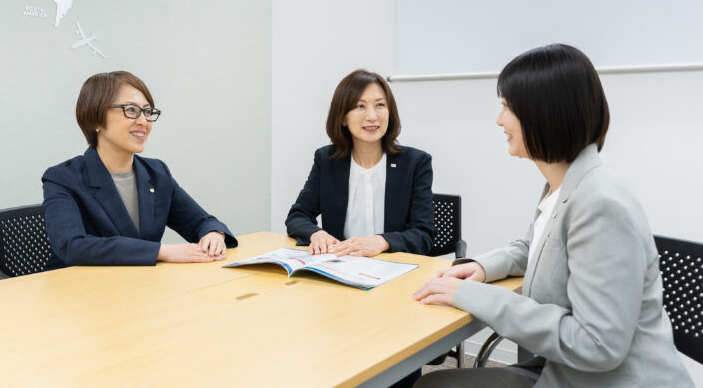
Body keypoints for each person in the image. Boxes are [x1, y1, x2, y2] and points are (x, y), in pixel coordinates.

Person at [412, 44, 693, 387]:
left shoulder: (600, 202)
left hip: (612, 379)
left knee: (433, 384)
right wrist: (484, 267)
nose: (499, 120)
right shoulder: (567, 184)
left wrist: (475, 296)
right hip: (563, 368)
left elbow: (598, 345)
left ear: (543, 112)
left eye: (506, 106)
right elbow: (535, 246)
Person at [42, 71, 237, 268]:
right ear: (95, 119)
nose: (143, 121)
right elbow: (72, 246)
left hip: (141, 286)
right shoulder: (63, 178)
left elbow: (201, 222)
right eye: (131, 110)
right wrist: (163, 251)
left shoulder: (156, 172)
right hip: (79, 290)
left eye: (147, 111)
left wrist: (213, 234)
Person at [286, 69, 435, 257]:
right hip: (342, 268)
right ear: (342, 117)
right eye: (360, 106)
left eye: (380, 105)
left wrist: (382, 241)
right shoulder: (327, 160)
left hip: (394, 268)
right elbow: (298, 216)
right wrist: (317, 234)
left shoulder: (415, 163)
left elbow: (424, 234)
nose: (372, 116)